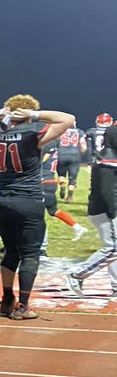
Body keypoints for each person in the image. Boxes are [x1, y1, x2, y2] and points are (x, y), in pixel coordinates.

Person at [0, 95, 75, 320]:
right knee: (30, 255)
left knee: (11, 251)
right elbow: (68, 120)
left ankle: (7, 298)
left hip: (1, 200)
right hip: (27, 199)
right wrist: (35, 115)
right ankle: (23, 306)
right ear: (25, 115)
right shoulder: (31, 132)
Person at [66, 124, 117, 300]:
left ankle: (116, 287)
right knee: (113, 249)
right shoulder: (109, 159)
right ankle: (77, 275)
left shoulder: (106, 156)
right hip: (106, 210)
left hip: (104, 209)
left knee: (114, 249)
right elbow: (106, 191)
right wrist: (113, 212)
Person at [56, 126, 85, 202]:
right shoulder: (79, 132)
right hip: (75, 156)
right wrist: (80, 154)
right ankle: (70, 196)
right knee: (73, 179)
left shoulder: (60, 130)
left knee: (61, 175)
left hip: (61, 155)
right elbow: (84, 147)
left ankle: (62, 185)